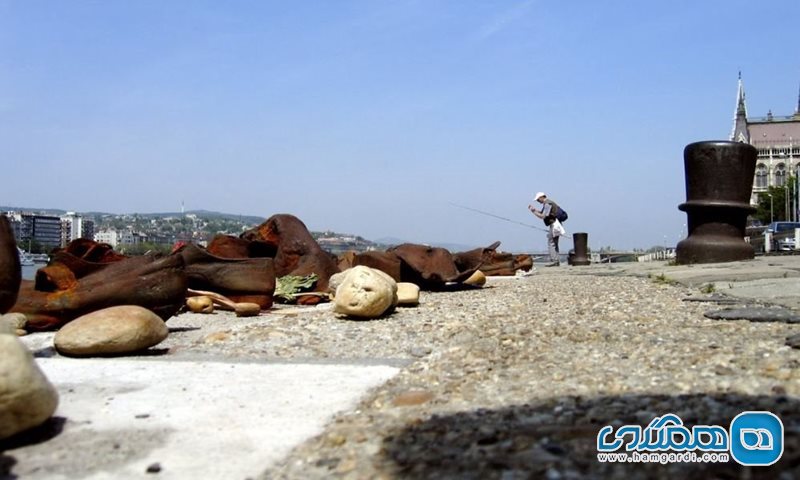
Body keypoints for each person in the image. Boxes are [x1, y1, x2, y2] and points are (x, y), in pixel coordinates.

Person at [528, 192, 568, 266]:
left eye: (538, 199)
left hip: (554, 225)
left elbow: (543, 216)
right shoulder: (548, 203)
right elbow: (543, 212)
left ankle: (554, 260)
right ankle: (556, 260)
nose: (537, 201)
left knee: (551, 242)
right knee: (554, 242)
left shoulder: (547, 203)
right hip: (556, 224)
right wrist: (534, 210)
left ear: (541, 197)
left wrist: (533, 212)